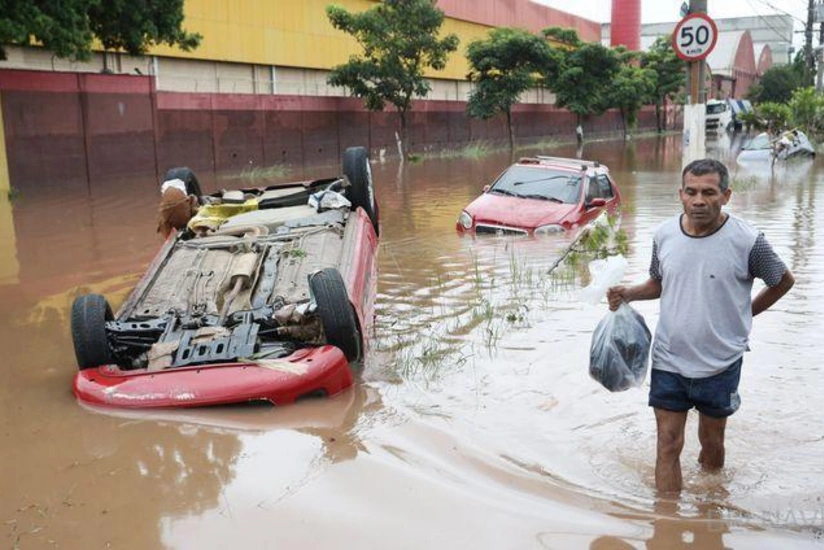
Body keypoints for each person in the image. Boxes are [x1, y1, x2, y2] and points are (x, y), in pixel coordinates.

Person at [606, 158, 795, 495]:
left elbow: (782, 281)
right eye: (691, 192)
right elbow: (659, 282)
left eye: (709, 192)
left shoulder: (749, 241)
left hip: (720, 362)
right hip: (669, 359)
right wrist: (629, 294)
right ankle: (667, 524)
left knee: (712, 447)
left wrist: (746, 314)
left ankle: (710, 513)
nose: (698, 201)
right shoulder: (664, 234)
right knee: (667, 444)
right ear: (680, 194)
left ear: (726, 195)